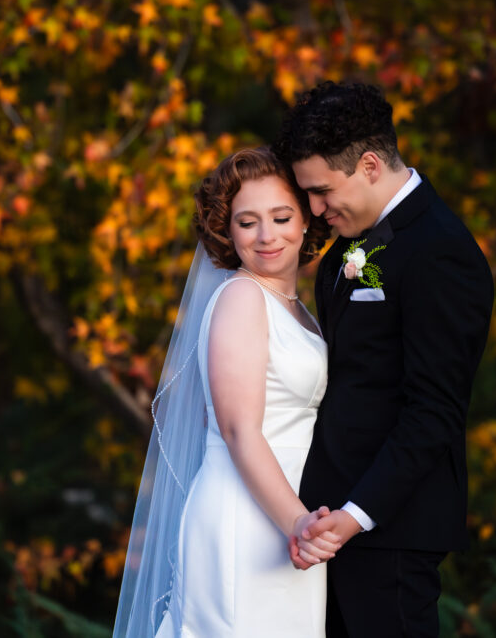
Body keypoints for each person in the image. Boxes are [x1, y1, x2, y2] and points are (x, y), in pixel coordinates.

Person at [272, 81, 494, 637]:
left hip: (389, 530)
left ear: (369, 165)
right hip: (326, 524)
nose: (315, 210)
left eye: (322, 191)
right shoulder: (351, 240)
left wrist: (354, 517)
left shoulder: (441, 251)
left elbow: (434, 412)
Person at [113, 147, 337, 637]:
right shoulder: (241, 297)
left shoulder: (299, 311)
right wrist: (298, 523)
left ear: (304, 222)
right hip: (248, 516)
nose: (266, 235)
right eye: (247, 222)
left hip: (288, 516)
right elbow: (239, 431)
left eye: (281, 217)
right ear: (227, 231)